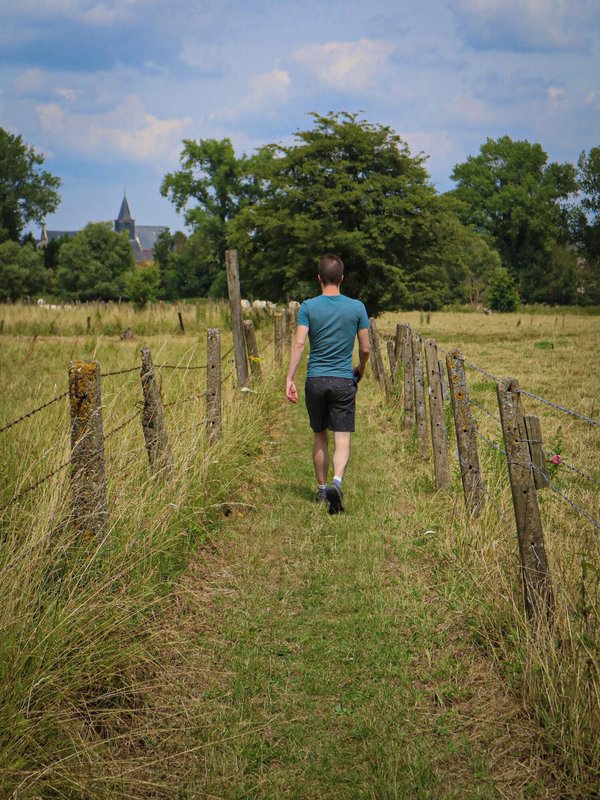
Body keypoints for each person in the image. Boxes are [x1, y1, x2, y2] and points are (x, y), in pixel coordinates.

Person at [286, 254, 370, 514]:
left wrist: (289, 377)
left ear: (319, 278)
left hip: (315, 380)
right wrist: (361, 369)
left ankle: (322, 490)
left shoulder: (308, 307)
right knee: (342, 437)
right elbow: (366, 348)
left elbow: (300, 343)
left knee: (319, 434)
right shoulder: (357, 307)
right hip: (344, 379)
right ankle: (337, 481)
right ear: (342, 278)